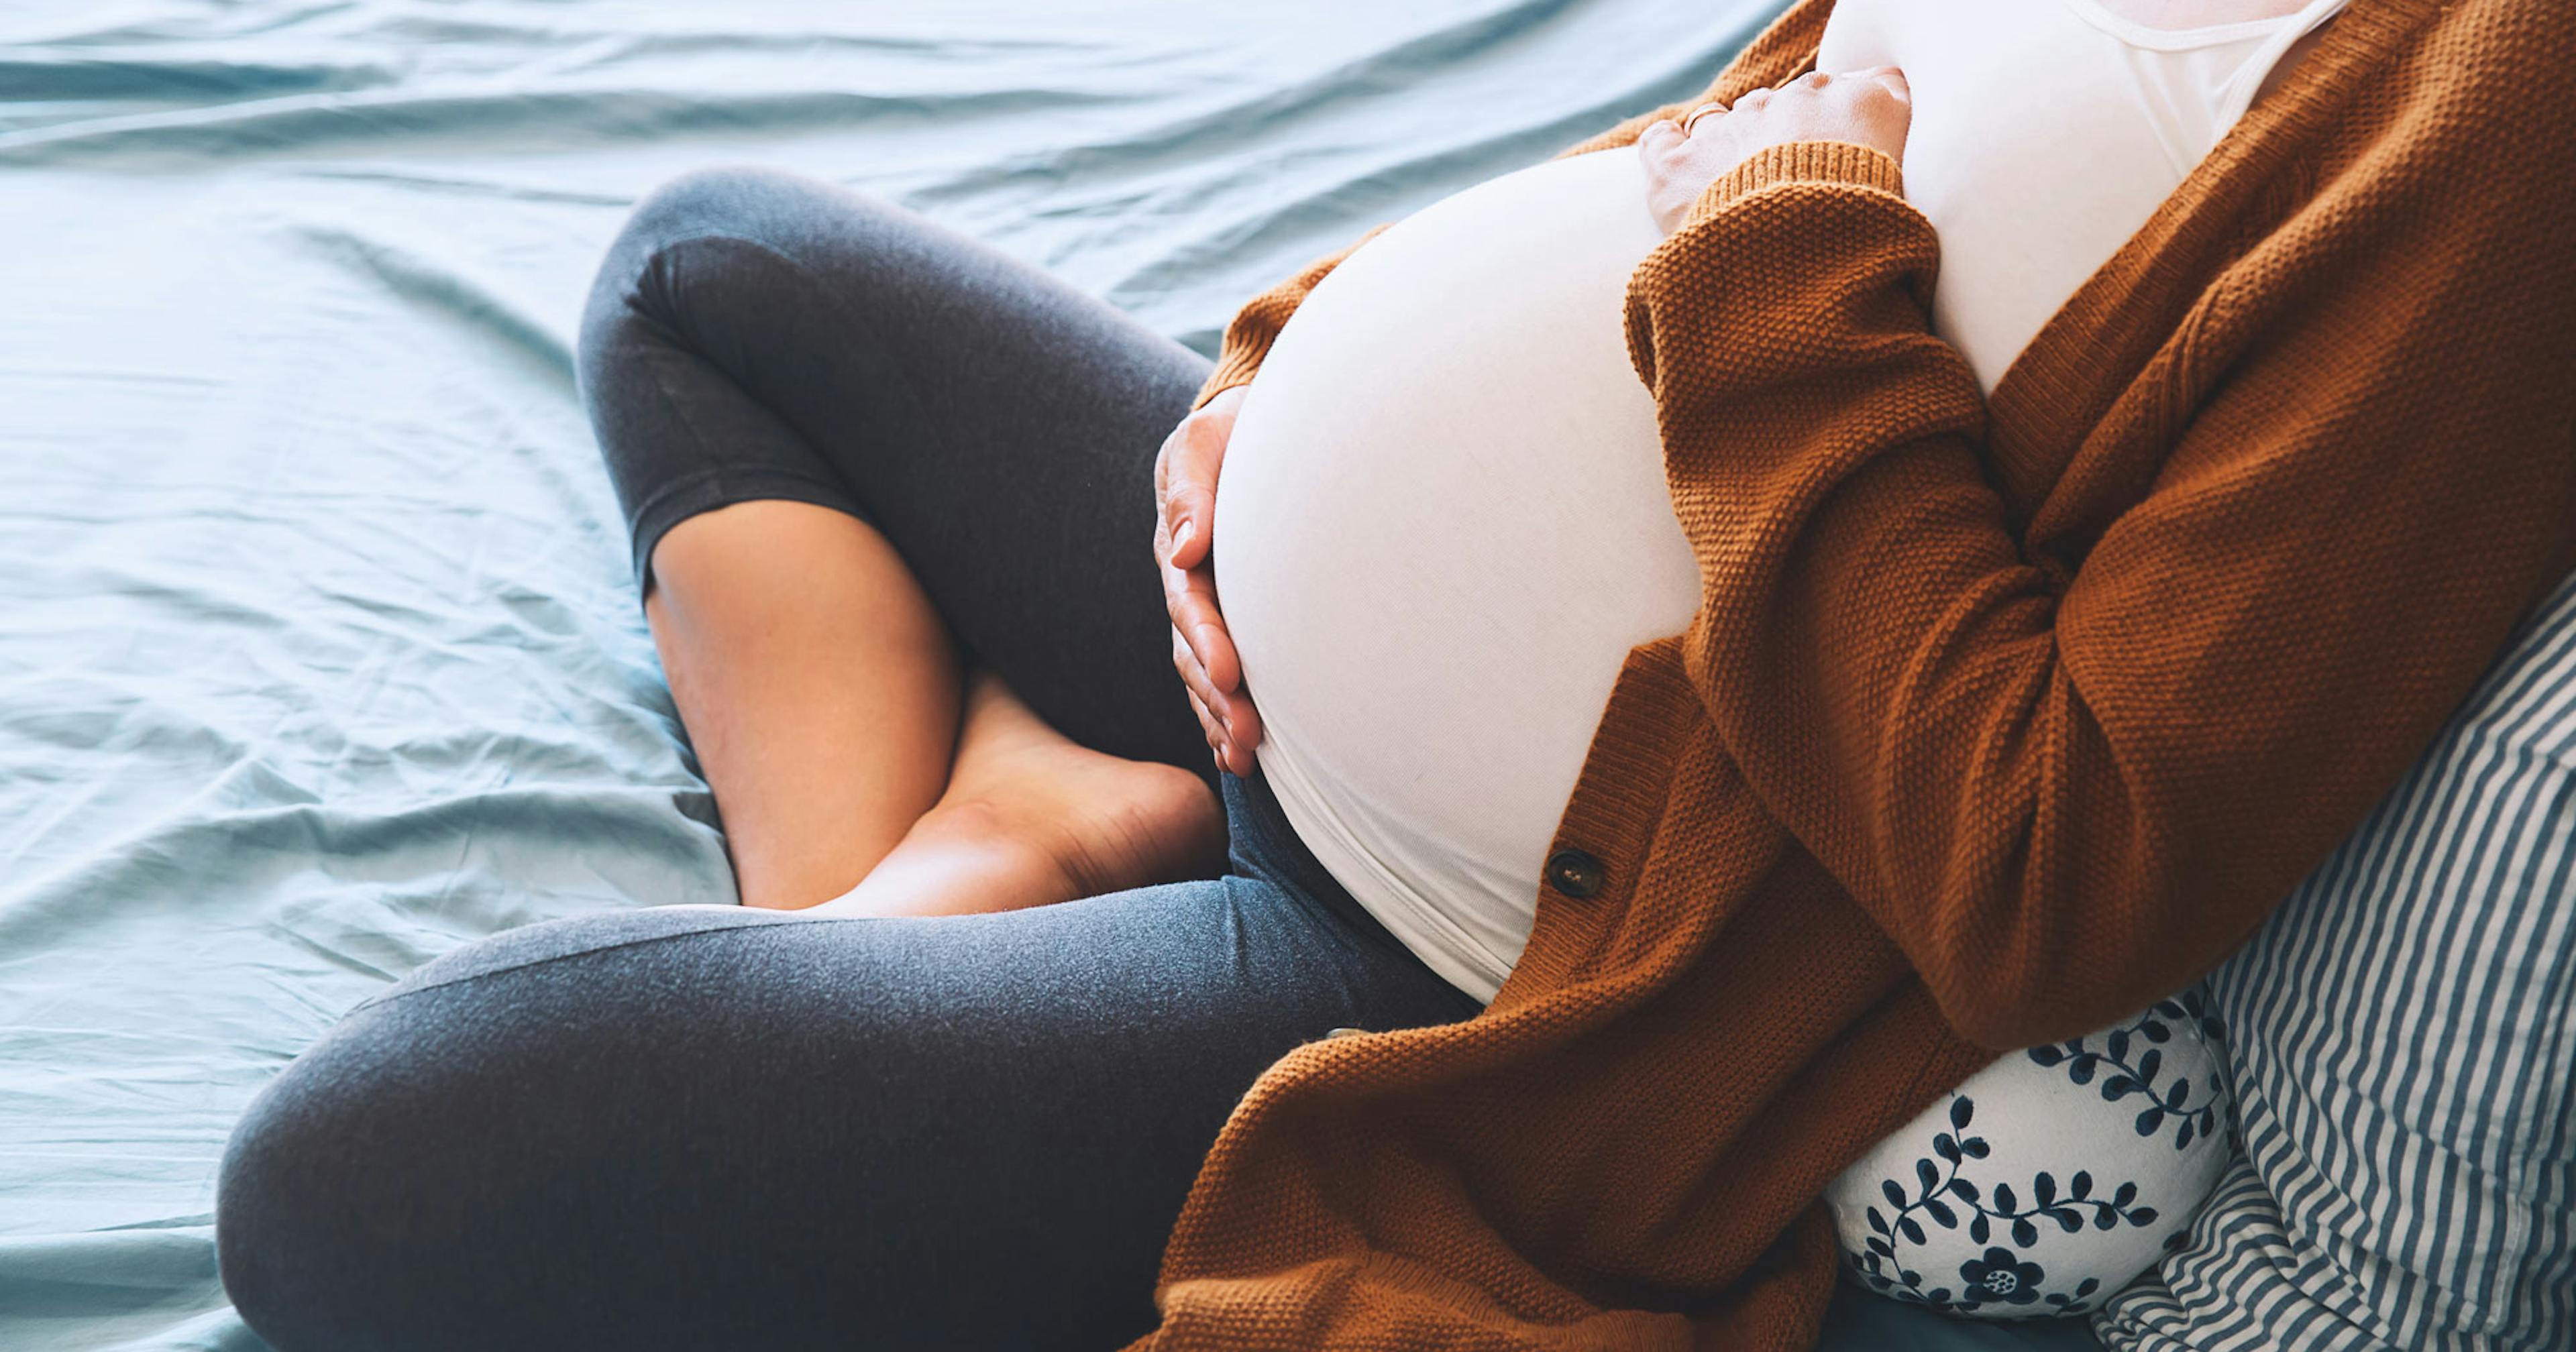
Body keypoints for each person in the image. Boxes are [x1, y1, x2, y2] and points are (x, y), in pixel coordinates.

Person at [213, 1, 2574, 1349]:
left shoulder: (2509, 115)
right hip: (1238, 652)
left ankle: (973, 858)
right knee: (707, 268)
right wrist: (1277, 368)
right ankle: (1012, 835)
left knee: (357, 1186)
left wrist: (1779, 251)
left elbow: (2058, 869)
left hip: (1488, 950)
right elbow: (1703, 145)